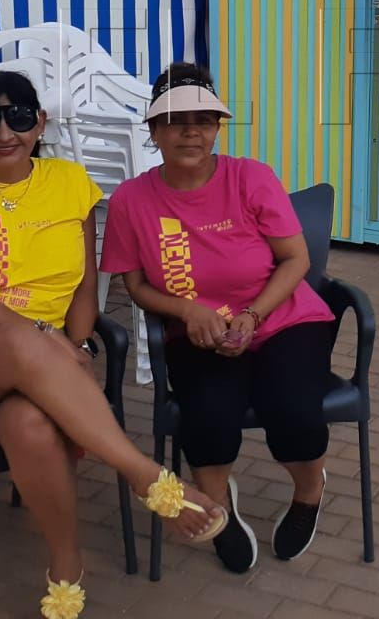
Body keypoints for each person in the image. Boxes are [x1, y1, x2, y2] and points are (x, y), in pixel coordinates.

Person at [0, 69, 223, 619]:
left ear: (40, 124)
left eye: (19, 117)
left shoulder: (71, 184)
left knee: (31, 422)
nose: (5, 131)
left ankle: (66, 573)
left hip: (38, 362)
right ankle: (146, 476)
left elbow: (86, 291)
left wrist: (78, 343)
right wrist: (51, 344)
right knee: (22, 345)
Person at [102, 63, 336, 575]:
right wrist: (187, 310)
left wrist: (252, 315)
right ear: (154, 130)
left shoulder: (251, 177)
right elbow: (134, 285)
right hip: (197, 331)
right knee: (207, 415)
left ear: (216, 128)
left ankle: (310, 490)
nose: (191, 130)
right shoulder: (131, 201)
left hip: (283, 319)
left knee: (291, 409)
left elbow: (296, 260)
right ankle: (217, 507)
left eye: (204, 119)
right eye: (176, 119)